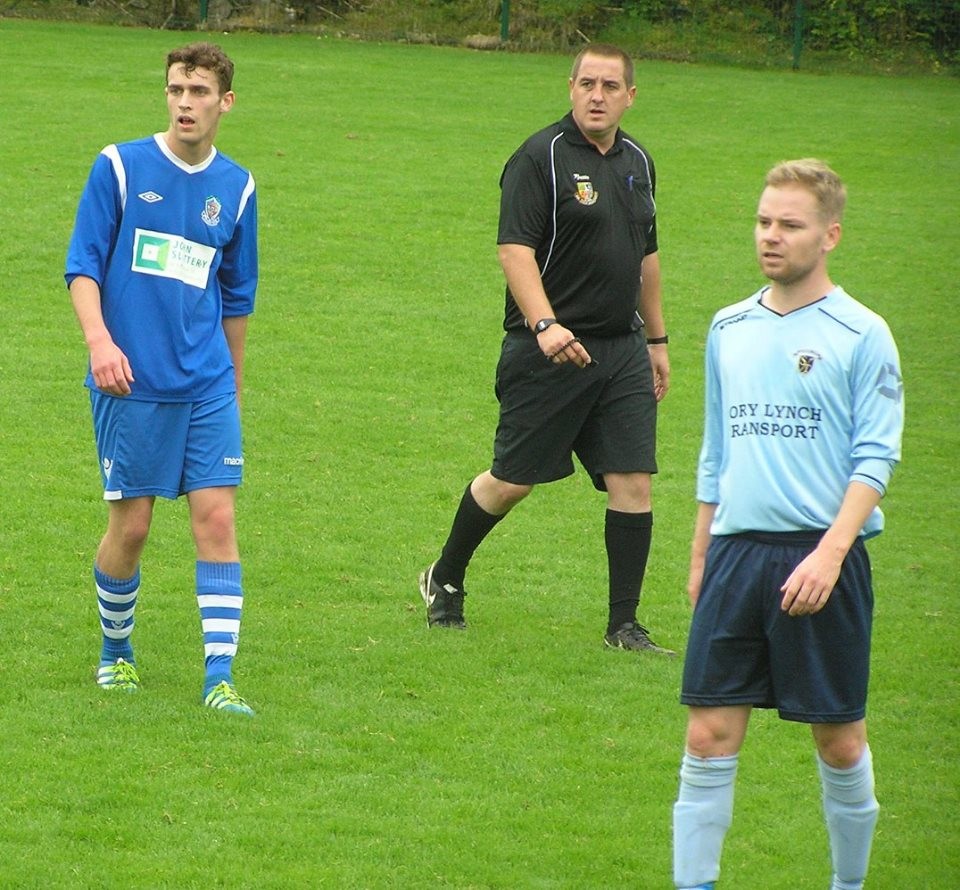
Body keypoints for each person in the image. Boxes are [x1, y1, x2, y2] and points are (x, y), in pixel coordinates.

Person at [671, 159, 904, 889]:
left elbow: (875, 457)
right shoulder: (729, 326)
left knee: (839, 743)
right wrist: (701, 554)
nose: (770, 236)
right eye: (764, 221)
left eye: (790, 225)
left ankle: (848, 884)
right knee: (707, 735)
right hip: (736, 556)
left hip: (823, 558)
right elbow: (715, 451)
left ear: (829, 235)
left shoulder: (863, 333)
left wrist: (831, 555)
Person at [418, 43, 674, 655]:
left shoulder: (639, 161)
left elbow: (647, 257)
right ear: (570, 87)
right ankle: (444, 577)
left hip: (622, 350)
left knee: (633, 481)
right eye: (587, 83)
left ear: (630, 96)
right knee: (511, 482)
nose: (597, 95)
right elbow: (515, 250)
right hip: (549, 351)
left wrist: (657, 339)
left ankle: (624, 627)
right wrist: (545, 325)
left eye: (610, 86)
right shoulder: (541, 157)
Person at [65, 42, 259, 715]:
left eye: (199, 92)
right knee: (134, 528)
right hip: (130, 382)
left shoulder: (238, 187)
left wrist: (233, 384)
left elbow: (236, 296)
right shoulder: (120, 167)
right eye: (177, 89)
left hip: (206, 384)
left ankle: (219, 678)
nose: (185, 103)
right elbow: (82, 265)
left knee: (217, 517)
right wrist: (100, 343)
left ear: (225, 102)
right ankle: (116, 652)